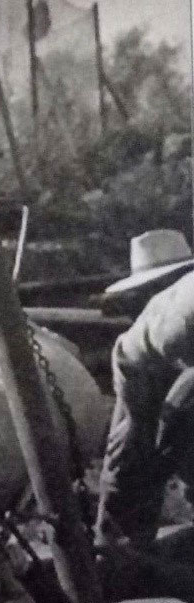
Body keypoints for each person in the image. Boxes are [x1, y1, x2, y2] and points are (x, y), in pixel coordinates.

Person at [97, 229, 194, 550]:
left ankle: (120, 550)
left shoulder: (156, 326)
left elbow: (129, 447)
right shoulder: (159, 332)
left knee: (140, 437)